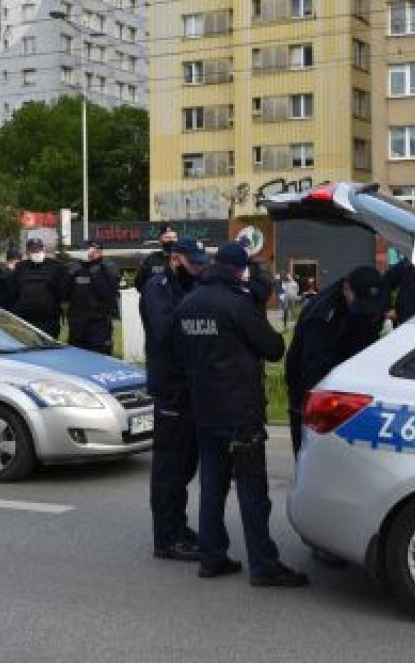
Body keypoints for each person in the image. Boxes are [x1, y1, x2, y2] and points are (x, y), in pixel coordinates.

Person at [169, 243, 307, 588]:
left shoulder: (188, 303)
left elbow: (174, 350)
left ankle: (211, 557)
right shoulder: (237, 303)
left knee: (212, 487)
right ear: (237, 269)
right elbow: (273, 349)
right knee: (252, 489)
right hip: (240, 411)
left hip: (204, 409)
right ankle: (263, 565)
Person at [140, 238, 208, 561]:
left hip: (193, 386)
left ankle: (178, 527)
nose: (198, 268)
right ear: (175, 259)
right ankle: (166, 538)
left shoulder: (193, 285)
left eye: (201, 262)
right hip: (170, 388)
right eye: (192, 262)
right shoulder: (157, 288)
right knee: (169, 468)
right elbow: (167, 331)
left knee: (185, 465)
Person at [285, 266, 388, 458]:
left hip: (349, 388)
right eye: (362, 304)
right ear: (346, 289)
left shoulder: (374, 295)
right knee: (313, 461)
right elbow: (314, 373)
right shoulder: (322, 317)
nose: (367, 312)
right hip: (311, 393)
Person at [66, 240, 120, 355]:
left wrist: (96, 274)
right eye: (89, 250)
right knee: (77, 355)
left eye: (96, 251)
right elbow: (64, 292)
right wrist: (70, 275)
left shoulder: (108, 267)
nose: (92, 254)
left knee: (100, 354)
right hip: (77, 320)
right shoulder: (75, 267)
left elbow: (109, 294)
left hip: (99, 321)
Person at [7, 238, 67, 338]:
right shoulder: (20, 267)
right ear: (28, 252)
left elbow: (63, 291)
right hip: (25, 319)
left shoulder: (56, 266)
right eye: (33, 250)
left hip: (48, 320)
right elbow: (12, 292)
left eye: (38, 249)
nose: (36, 252)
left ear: (43, 249)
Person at [134, 223, 178, 293]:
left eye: (174, 238)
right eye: (167, 238)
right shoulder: (150, 260)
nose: (171, 240)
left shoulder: (184, 260)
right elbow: (139, 284)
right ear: (160, 241)